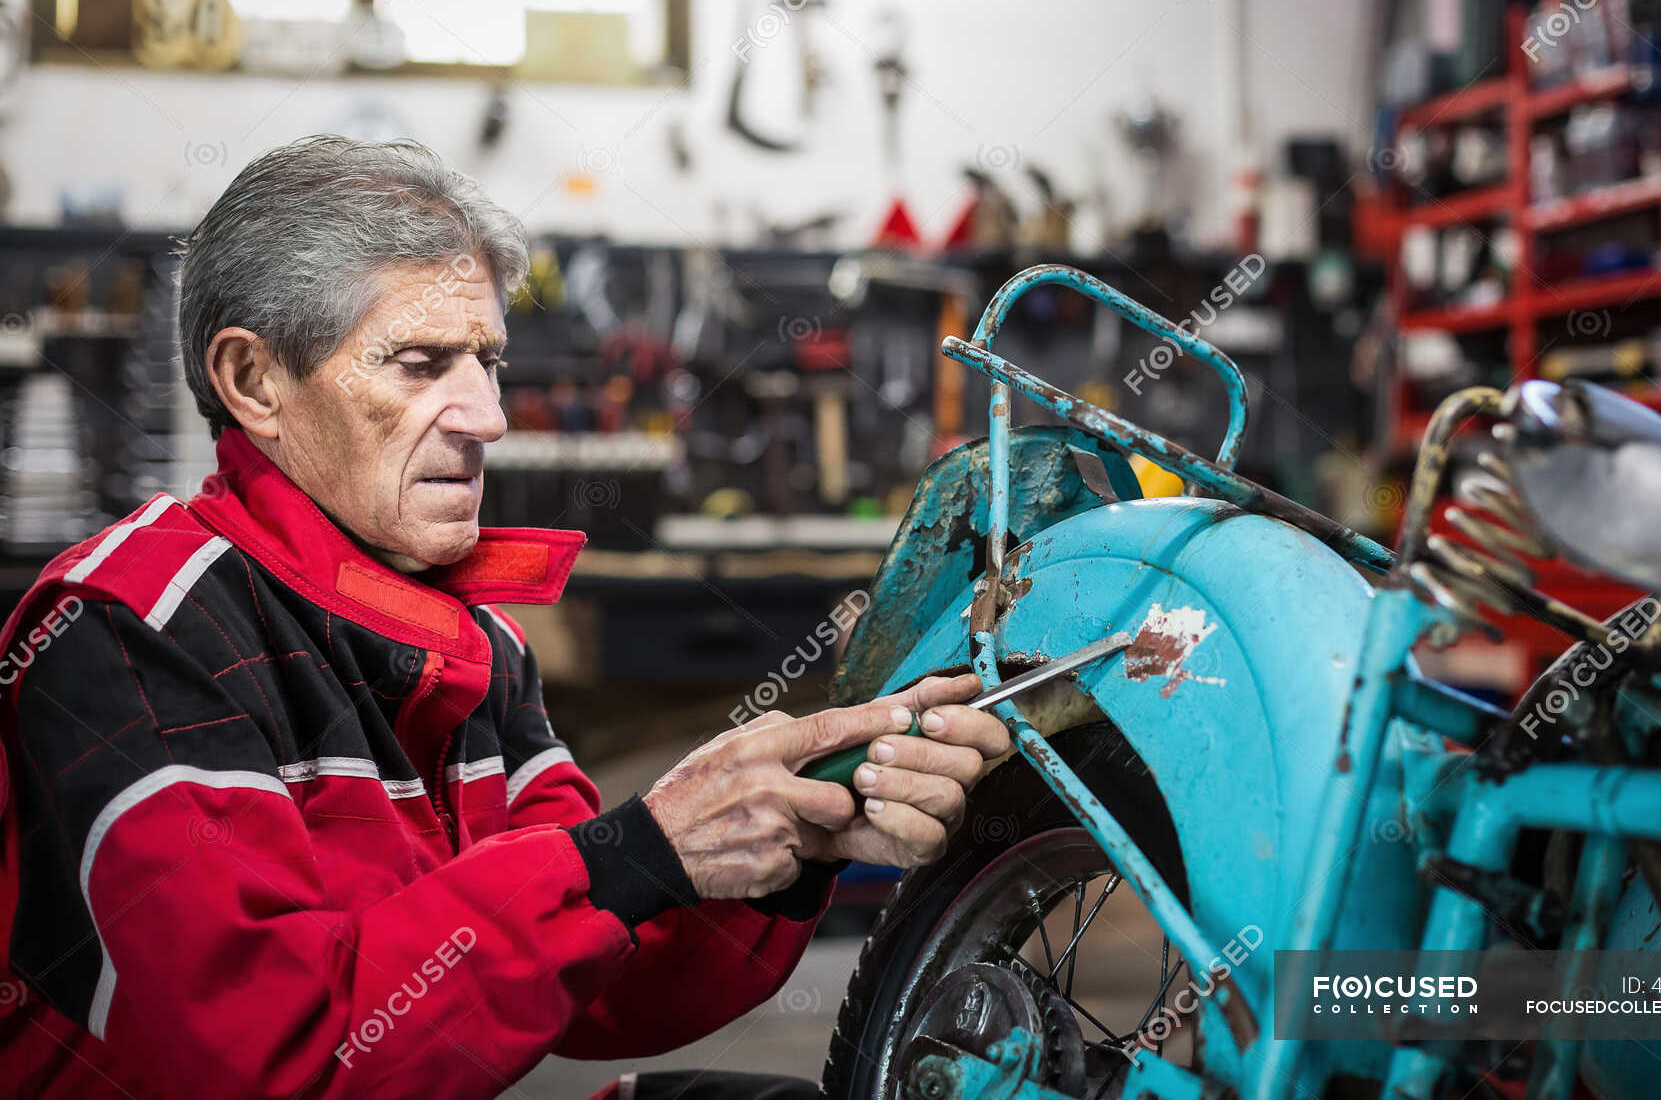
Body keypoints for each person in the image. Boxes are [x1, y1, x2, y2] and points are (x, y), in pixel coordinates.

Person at [0, 136, 1009, 1098]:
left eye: (487, 361)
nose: (486, 413)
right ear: (254, 381)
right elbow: (276, 1057)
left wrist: (796, 836)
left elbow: (596, 982)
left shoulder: (468, 643)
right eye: (420, 363)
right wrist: (634, 855)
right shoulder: (132, 629)